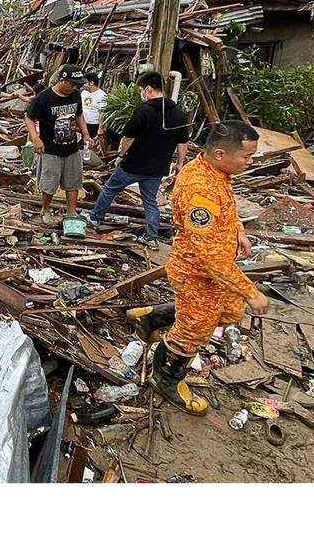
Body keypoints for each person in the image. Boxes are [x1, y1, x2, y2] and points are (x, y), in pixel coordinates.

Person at [125, 121, 271, 415]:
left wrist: (239, 230)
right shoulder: (199, 190)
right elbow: (210, 257)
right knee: (195, 329)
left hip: (211, 269)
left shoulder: (215, 172)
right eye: (247, 157)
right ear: (219, 153)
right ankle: (166, 378)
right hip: (197, 270)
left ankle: (152, 318)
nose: (250, 162)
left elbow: (227, 209)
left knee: (226, 313)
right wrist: (250, 291)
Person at [85, 71, 189, 249]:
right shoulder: (178, 114)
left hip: (133, 165)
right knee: (150, 201)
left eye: (142, 90)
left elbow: (128, 138)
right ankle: (151, 237)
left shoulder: (144, 111)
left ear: (148, 89)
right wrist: (180, 163)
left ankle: (94, 218)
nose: (142, 93)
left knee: (110, 189)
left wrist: (120, 156)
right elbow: (182, 143)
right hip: (157, 168)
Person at [26, 64, 93, 226]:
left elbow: (79, 115)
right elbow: (29, 118)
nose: (74, 87)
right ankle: (46, 209)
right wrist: (35, 138)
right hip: (50, 148)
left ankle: (71, 211)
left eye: (77, 84)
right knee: (49, 182)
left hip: (71, 147)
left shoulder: (76, 95)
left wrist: (85, 134)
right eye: (72, 83)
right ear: (62, 80)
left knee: (73, 181)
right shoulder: (43, 98)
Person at [80, 72, 107, 140]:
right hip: (83, 123)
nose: (83, 85)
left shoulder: (102, 95)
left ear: (91, 83)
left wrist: (100, 128)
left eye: (85, 83)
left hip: (93, 125)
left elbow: (103, 113)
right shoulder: (83, 93)